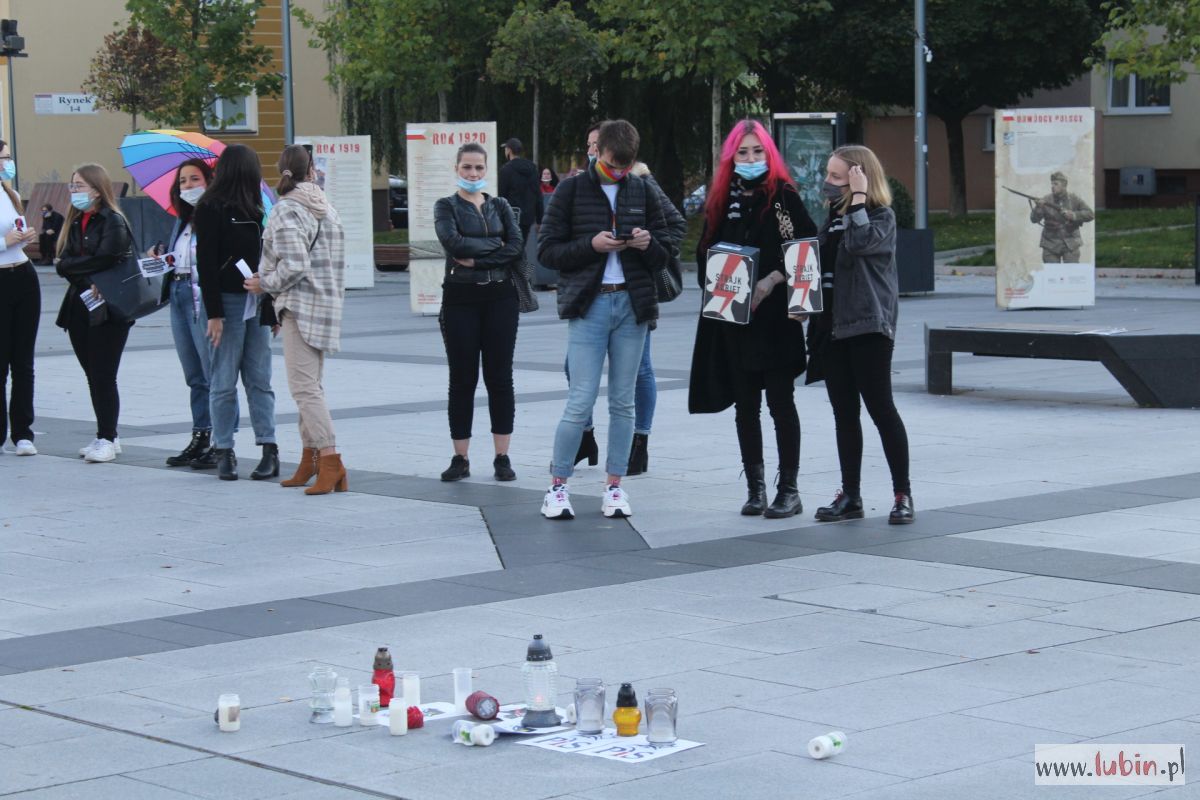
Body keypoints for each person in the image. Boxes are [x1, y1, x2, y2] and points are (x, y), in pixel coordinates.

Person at [538, 119, 670, 519]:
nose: (619, 171)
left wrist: (647, 243)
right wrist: (591, 245)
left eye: (625, 166)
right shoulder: (571, 189)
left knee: (623, 402)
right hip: (590, 304)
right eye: (613, 164)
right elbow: (547, 252)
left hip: (632, 305)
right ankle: (557, 486)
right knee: (580, 400)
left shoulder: (642, 188)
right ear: (597, 152)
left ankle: (614, 486)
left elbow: (665, 252)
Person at [688, 119, 817, 518]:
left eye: (757, 151)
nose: (750, 158)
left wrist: (773, 279)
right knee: (746, 407)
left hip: (775, 319)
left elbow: (804, 247)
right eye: (742, 152)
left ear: (769, 153)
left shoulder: (782, 196)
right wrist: (722, 280)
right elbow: (704, 254)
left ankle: (789, 489)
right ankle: (755, 488)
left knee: (780, 404)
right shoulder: (721, 199)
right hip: (734, 319)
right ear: (731, 157)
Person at [806, 144, 913, 525]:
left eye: (836, 176)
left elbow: (860, 243)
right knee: (844, 414)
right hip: (832, 327)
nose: (828, 182)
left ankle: (902, 494)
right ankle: (850, 495)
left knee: (881, 409)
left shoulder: (881, 217)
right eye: (828, 174)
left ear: (859, 178)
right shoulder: (832, 217)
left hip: (868, 325)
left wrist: (860, 200)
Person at [247, 144, 348, 495]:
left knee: (304, 389)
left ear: (282, 170)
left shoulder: (286, 209)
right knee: (311, 386)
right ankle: (311, 459)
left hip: (300, 306)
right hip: (326, 305)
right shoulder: (326, 207)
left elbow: (294, 265)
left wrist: (264, 283)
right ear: (311, 170)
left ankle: (330, 459)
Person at [433, 142, 524, 483]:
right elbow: (453, 243)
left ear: (487, 170)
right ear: (457, 168)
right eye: (467, 167)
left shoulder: (500, 206)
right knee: (462, 377)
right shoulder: (446, 206)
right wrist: (495, 247)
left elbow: (516, 246)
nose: (473, 173)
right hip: (460, 297)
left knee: (500, 377)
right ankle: (461, 457)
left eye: (479, 167)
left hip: (501, 296)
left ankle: (502, 456)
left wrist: (481, 259)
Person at [194, 143, 278, 482]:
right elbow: (205, 263)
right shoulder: (210, 207)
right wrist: (213, 313)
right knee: (223, 380)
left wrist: (271, 307)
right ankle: (224, 449)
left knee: (259, 379)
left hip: (257, 300)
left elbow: (270, 258)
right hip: (226, 304)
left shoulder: (260, 208)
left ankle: (269, 448)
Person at [54, 164, 134, 463]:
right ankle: (107, 432)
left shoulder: (113, 220)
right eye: (72, 185)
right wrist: (77, 271)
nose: (74, 191)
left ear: (98, 190)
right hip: (79, 304)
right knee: (92, 374)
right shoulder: (75, 221)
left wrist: (70, 266)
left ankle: (107, 438)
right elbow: (63, 261)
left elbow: (107, 258)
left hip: (109, 308)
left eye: (80, 186)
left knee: (103, 374)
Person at [156, 158, 219, 468]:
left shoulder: (214, 217)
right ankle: (200, 435)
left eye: (195, 179)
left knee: (212, 373)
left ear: (208, 182)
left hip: (202, 297)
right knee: (193, 374)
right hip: (178, 293)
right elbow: (178, 258)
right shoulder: (182, 220)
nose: (188, 186)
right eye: (182, 181)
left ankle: (220, 441)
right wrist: (160, 256)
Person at [0, 140, 40, 456]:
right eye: (3, 158)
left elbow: (17, 234)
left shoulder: (9, 192)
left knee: (24, 362)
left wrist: (25, 237)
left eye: (8, 157)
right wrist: (5, 241)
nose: (7, 163)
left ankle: (23, 433)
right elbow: (6, 239)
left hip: (24, 275)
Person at [1030, 171, 1094, 263]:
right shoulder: (1045, 199)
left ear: (1064, 185)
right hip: (1050, 243)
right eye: (1052, 184)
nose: (1052, 186)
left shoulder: (1074, 199)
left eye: (1056, 184)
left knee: (1072, 270)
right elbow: (1033, 219)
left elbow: (1090, 214)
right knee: (1051, 271)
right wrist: (1038, 208)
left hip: (1071, 243)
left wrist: (1073, 215)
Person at [498, 137, 542, 242]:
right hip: (528, 217)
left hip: (511, 217)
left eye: (505, 149)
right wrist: (540, 219)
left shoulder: (506, 170)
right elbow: (538, 194)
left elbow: (502, 195)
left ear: (509, 150)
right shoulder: (532, 168)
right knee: (521, 245)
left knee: (511, 246)